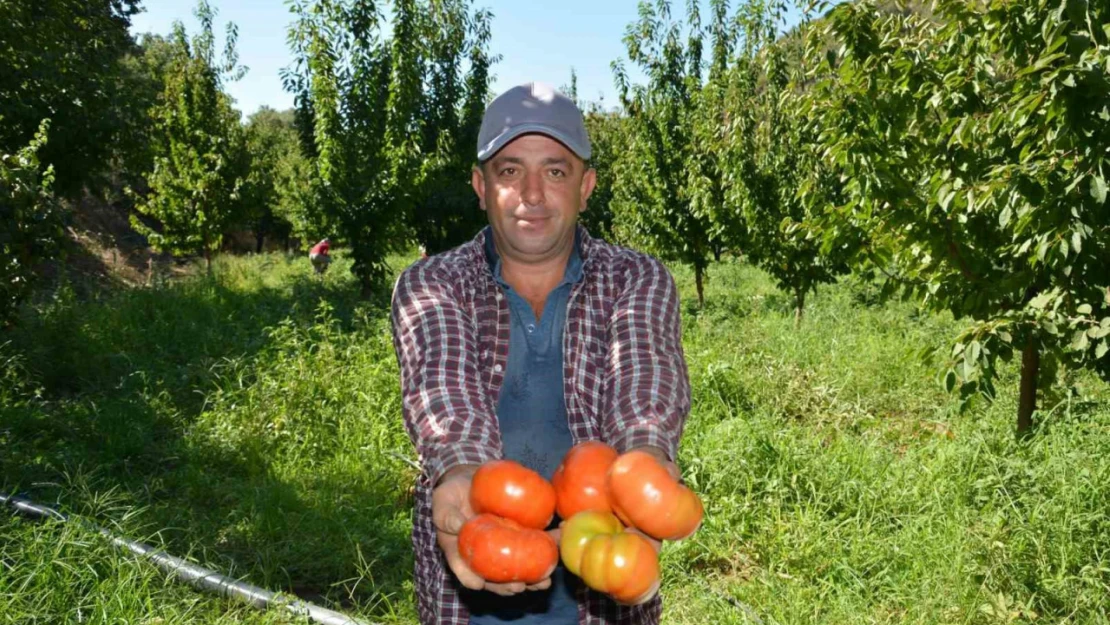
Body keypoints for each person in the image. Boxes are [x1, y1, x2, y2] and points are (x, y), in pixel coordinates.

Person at [390, 82, 691, 625]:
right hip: (467, 590)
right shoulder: (433, 284)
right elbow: (444, 390)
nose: (531, 194)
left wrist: (645, 477)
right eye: (509, 172)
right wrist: (462, 476)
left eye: (555, 171)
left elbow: (644, 385)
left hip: (598, 591)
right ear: (481, 186)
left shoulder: (635, 279)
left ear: (586, 186)